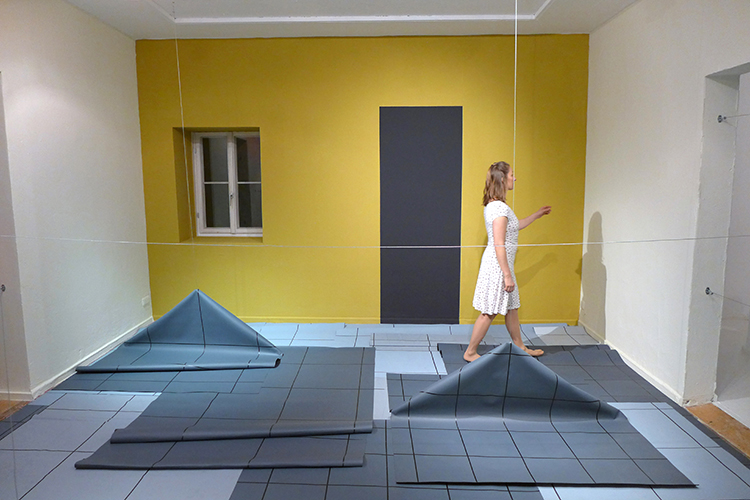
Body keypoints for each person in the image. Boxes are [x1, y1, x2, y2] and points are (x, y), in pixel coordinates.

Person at [464, 161, 551, 362]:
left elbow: (515, 226)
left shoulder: (498, 206)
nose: (515, 178)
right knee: (489, 311)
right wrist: (506, 274)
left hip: (501, 265)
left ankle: (520, 346)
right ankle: (470, 352)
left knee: (511, 308)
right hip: (497, 267)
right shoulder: (498, 208)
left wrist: (537, 215)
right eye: (512, 175)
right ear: (503, 179)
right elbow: (499, 244)